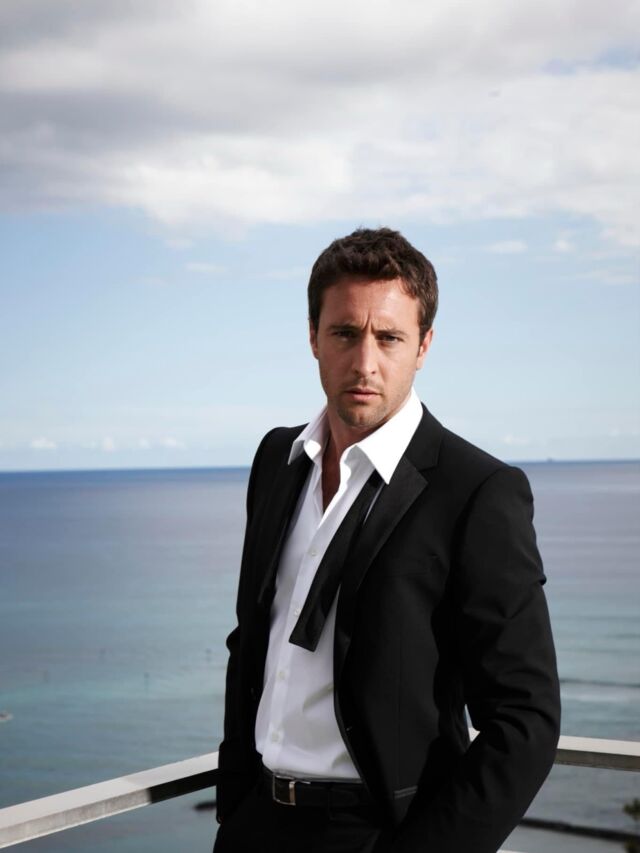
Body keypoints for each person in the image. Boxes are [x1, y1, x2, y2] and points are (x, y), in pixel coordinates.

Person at [213, 227, 560, 853]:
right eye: (345, 333)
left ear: (424, 346)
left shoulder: (477, 491)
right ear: (313, 337)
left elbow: (525, 720)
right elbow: (251, 639)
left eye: (389, 337)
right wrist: (234, 804)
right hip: (256, 826)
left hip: (378, 834)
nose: (364, 363)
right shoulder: (276, 460)